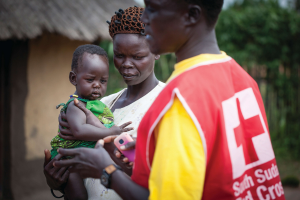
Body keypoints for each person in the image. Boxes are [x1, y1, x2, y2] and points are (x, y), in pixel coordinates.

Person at [53, 0, 286, 199]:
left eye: (153, 9)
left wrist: (105, 169)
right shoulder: (243, 80)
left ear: (192, 15)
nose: (144, 18)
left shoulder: (179, 100)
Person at [43, 6, 165, 200]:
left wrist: (103, 137)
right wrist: (57, 180)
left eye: (137, 56)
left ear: (157, 50)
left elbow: (158, 178)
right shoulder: (102, 103)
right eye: (119, 55)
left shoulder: (167, 105)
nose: (126, 64)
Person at [49, 44, 133, 200]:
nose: (97, 85)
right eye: (90, 79)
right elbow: (79, 131)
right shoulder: (75, 106)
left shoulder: (98, 104)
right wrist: (111, 132)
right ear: (74, 78)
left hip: (82, 159)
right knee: (78, 195)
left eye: (103, 81)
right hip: (69, 161)